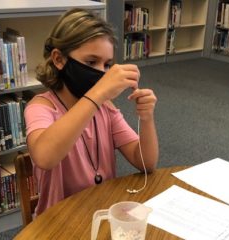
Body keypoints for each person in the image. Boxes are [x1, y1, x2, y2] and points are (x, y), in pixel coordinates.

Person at [24, 8, 159, 216]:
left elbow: (146, 162)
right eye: (90, 62)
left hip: (102, 213)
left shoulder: (106, 108)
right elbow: (44, 157)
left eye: (107, 65)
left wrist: (147, 117)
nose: (101, 73)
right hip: (58, 222)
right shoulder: (41, 107)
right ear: (59, 59)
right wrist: (99, 93)